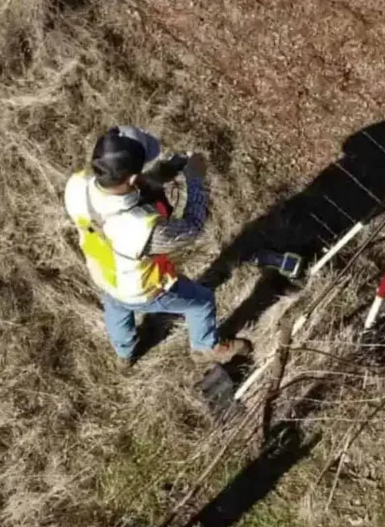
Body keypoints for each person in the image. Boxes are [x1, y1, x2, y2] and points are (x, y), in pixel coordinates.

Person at [64, 126, 251, 367]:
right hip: (140, 289)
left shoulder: (77, 185)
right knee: (202, 302)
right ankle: (206, 348)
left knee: (116, 306)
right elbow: (192, 227)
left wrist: (161, 174)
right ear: (131, 178)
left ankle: (124, 352)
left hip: (104, 274)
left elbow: (121, 193)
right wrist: (195, 180)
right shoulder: (141, 228)